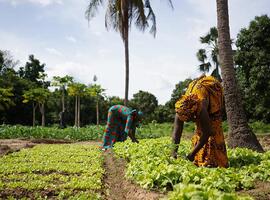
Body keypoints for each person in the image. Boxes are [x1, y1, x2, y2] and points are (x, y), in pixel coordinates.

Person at [171, 75, 229, 168]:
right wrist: (173, 153)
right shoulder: (181, 109)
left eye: (190, 119)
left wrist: (191, 154)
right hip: (198, 91)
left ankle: (216, 158)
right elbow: (176, 131)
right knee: (199, 129)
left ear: (193, 112)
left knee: (213, 129)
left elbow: (208, 132)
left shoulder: (201, 107)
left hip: (214, 93)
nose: (190, 121)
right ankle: (199, 156)